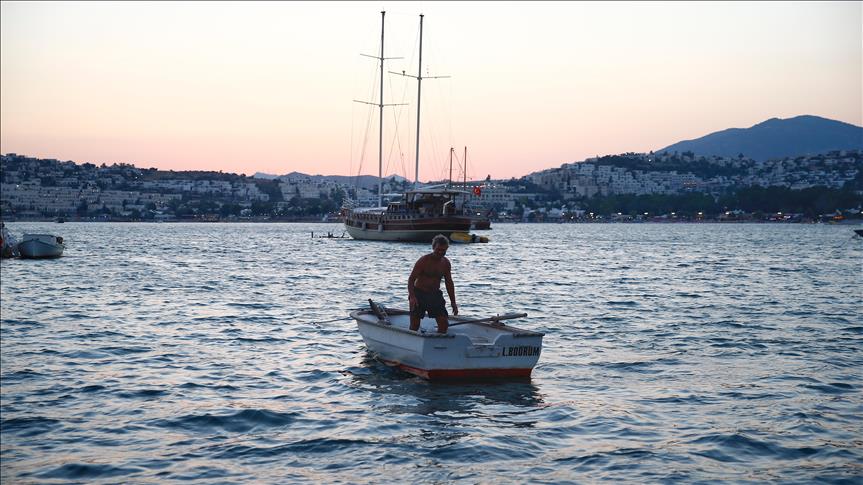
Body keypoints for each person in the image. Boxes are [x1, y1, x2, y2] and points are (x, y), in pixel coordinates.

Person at [408, 234, 458, 333]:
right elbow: (411, 279)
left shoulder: (445, 263)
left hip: (435, 295)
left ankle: (438, 344)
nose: (440, 252)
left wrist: (453, 302)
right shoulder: (423, 261)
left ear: (446, 249)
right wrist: (412, 296)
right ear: (433, 247)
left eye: (443, 250)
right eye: (438, 249)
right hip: (419, 294)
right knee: (414, 325)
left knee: (444, 324)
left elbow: (449, 283)